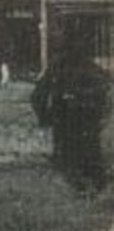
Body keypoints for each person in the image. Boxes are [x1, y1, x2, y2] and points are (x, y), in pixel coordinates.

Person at [32, 46, 111, 194]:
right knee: (90, 156)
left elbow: (37, 97)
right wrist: (99, 116)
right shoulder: (92, 68)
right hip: (87, 121)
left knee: (68, 158)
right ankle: (94, 186)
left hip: (64, 121)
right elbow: (106, 92)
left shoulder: (56, 68)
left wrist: (45, 119)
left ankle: (82, 187)